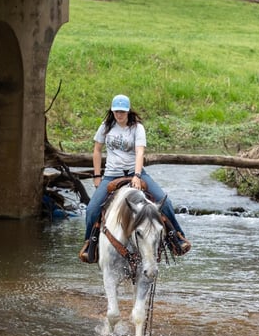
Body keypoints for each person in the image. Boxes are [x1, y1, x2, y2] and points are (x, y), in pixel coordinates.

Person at [79, 94, 191, 263]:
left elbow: (140, 152)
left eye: (122, 112)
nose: (119, 115)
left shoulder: (137, 128)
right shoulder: (105, 126)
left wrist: (137, 175)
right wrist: (96, 175)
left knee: (164, 202)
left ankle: (177, 238)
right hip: (111, 174)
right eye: (116, 111)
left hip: (135, 172)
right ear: (112, 111)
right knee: (92, 209)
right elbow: (97, 150)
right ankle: (90, 245)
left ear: (128, 111)